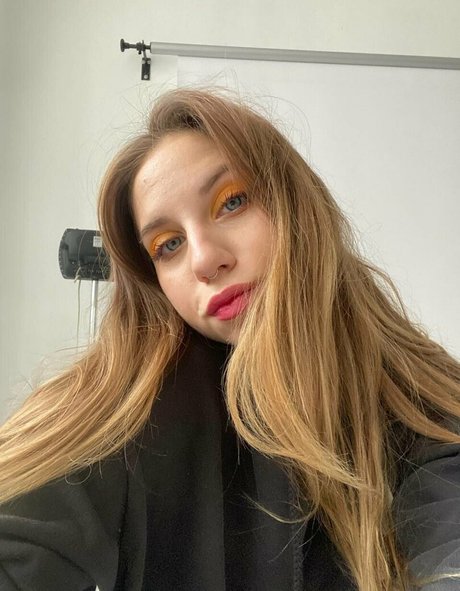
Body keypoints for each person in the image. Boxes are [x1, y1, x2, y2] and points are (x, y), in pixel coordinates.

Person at [1, 87, 460, 591]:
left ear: (296, 203)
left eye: (232, 202)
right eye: (168, 245)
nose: (204, 260)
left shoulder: (416, 395)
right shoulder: (134, 409)